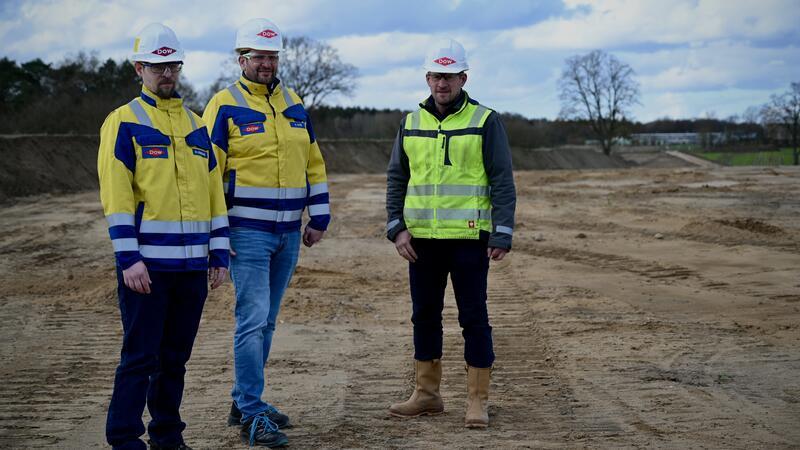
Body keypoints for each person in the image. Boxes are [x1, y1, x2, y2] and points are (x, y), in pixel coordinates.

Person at [98, 23, 230, 450]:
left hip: (191, 270)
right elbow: (116, 197)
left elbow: (214, 198)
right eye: (157, 65)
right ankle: (123, 439)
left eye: (173, 64)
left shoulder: (196, 127)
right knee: (140, 358)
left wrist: (219, 254)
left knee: (175, 360)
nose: (166, 73)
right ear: (140, 68)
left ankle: (168, 437)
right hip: (147, 269)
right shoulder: (123, 122)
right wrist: (128, 258)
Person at [203, 18, 330, 448]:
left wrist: (320, 214)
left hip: (288, 234)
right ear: (241, 59)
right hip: (246, 235)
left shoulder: (294, 103)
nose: (266, 63)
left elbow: (314, 161)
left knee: (268, 322)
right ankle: (254, 414)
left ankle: (244, 400)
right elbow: (207, 174)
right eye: (259, 56)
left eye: (272, 56)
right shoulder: (223, 105)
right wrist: (216, 236)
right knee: (252, 320)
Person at [385, 38, 516, 428]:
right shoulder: (411, 122)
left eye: (450, 76)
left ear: (463, 78)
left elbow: (502, 180)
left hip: (469, 239)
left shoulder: (485, 121)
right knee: (424, 316)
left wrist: (501, 232)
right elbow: (397, 178)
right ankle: (427, 394)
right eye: (436, 76)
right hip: (421, 240)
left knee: (474, 318)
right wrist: (397, 228)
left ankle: (477, 400)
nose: (442, 84)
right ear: (427, 78)